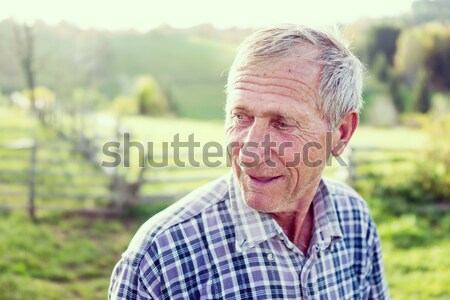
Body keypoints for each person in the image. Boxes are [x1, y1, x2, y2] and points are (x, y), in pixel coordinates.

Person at [109, 24, 389, 299]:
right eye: (240, 116)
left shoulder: (355, 218)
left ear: (340, 133)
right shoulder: (160, 258)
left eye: (282, 123)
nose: (250, 152)